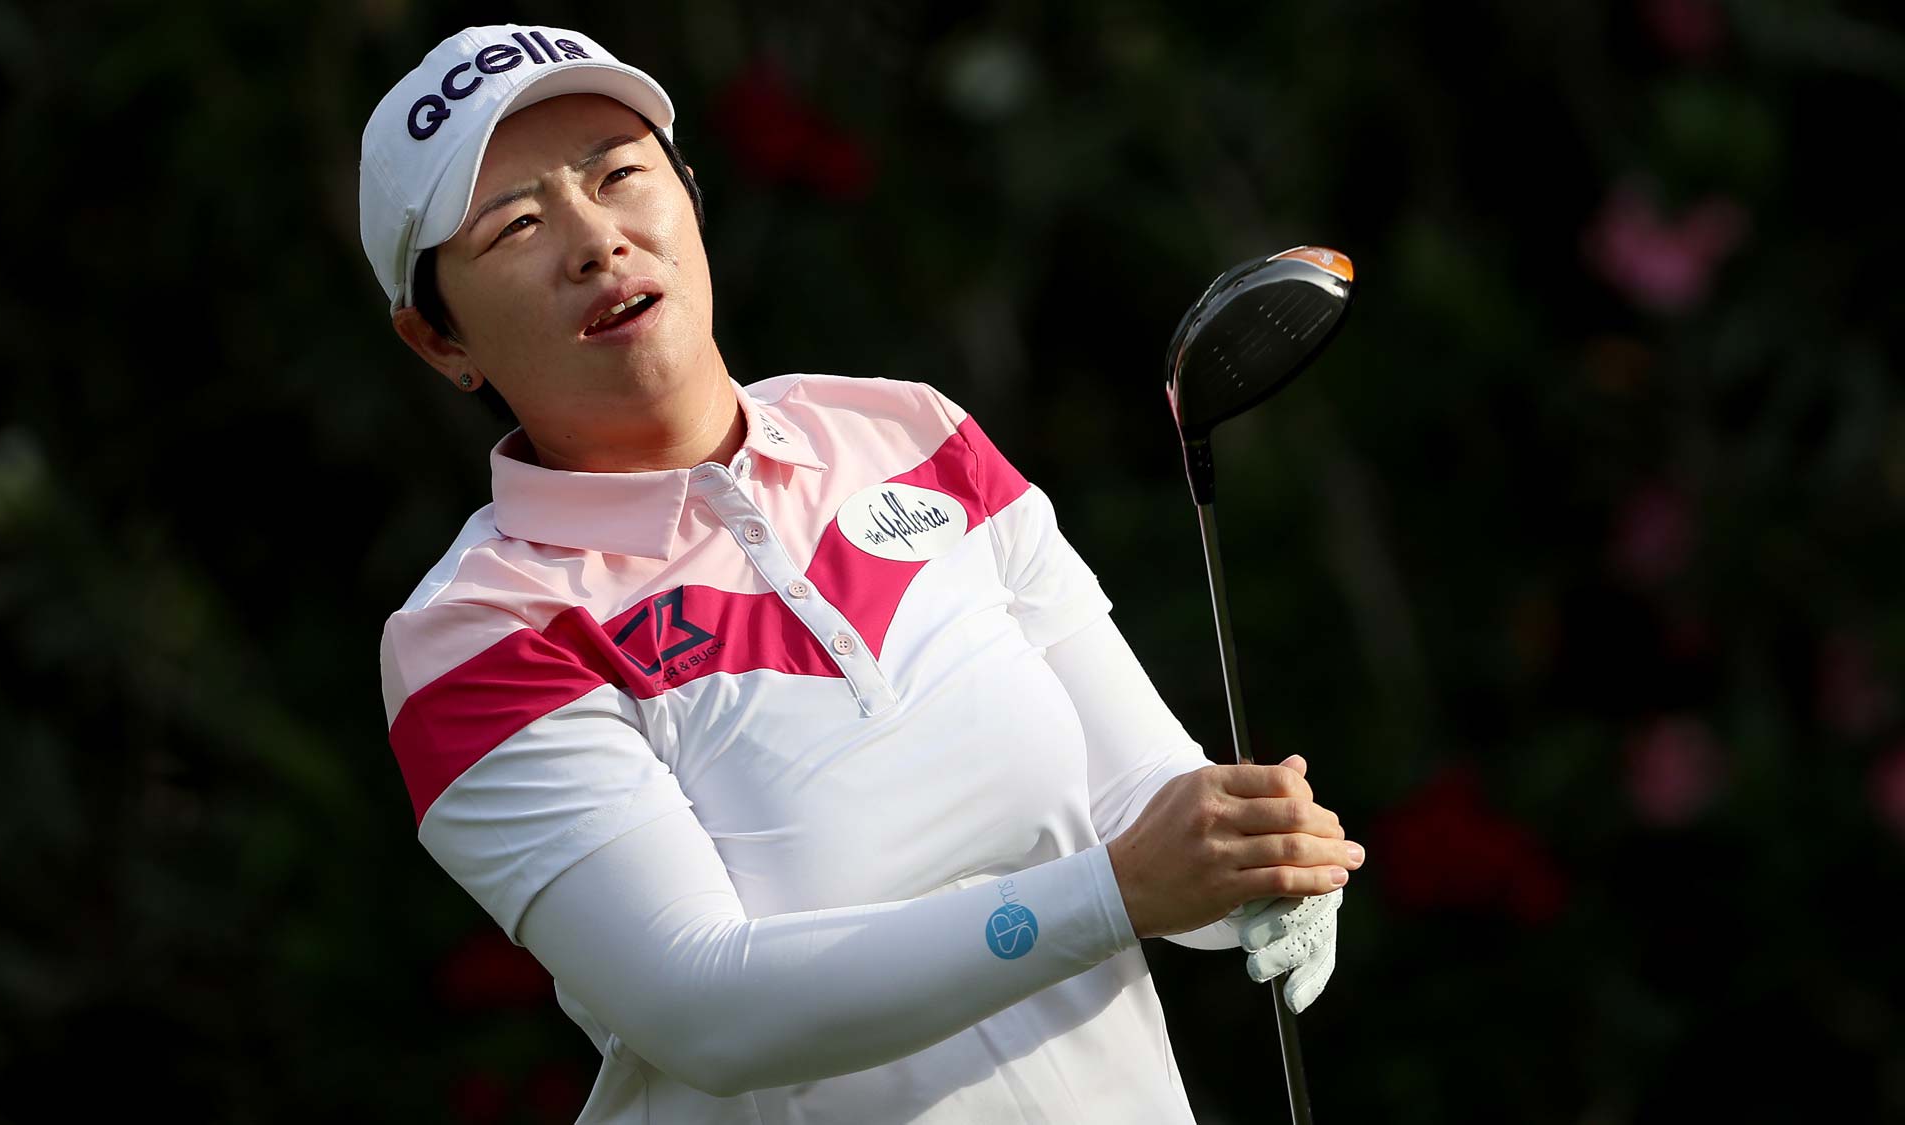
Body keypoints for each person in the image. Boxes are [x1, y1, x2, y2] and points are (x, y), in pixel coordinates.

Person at [363, 24, 1362, 1124]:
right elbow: (710, 1010)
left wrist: (1252, 858)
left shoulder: (910, 431)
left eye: (620, 174)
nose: (597, 241)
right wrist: (1115, 892)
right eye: (515, 225)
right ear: (438, 342)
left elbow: (1137, 800)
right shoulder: (481, 632)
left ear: (688, 196)